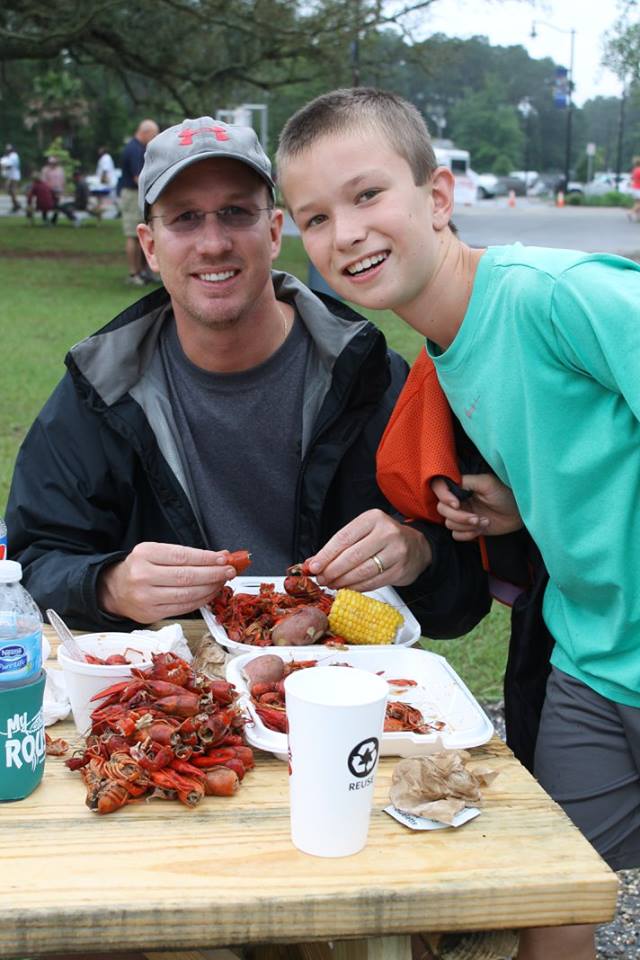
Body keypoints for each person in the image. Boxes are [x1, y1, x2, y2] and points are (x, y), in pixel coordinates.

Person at [277, 86, 640, 960]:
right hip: (590, 667)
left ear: (437, 198)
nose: (348, 233)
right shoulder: (439, 356)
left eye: (368, 196)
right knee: (546, 907)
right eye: (316, 217)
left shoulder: (551, 296)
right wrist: (526, 501)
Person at [6, 115, 489, 648]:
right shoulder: (100, 390)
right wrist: (108, 586)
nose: (213, 244)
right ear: (149, 245)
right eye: (185, 218)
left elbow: (463, 597)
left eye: (236, 212)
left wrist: (416, 552)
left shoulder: (369, 377)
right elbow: (28, 565)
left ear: (276, 231)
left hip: (338, 685)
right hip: (178, 688)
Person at [119, 119, 159, 285]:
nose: (155, 138)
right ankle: (134, 273)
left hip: (139, 194)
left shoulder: (139, 148)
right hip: (133, 194)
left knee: (144, 234)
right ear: (145, 132)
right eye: (154, 134)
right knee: (133, 235)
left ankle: (144, 271)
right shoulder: (134, 150)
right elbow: (139, 178)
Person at [1, 143, 21, 212]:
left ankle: (16, 205)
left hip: (14, 176)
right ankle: (16, 204)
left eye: (9, 149)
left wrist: (3, 167)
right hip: (10, 176)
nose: (8, 150)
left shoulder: (14, 156)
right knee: (9, 190)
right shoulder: (8, 156)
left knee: (12, 190)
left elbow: (10, 166)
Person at [629, 155, 640, 221]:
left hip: (634, 188)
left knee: (637, 203)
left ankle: (637, 217)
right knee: (639, 204)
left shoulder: (634, 170)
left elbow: (632, 178)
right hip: (639, 188)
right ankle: (630, 213)